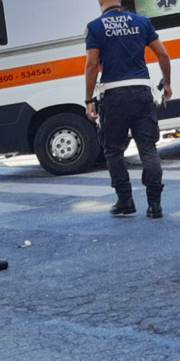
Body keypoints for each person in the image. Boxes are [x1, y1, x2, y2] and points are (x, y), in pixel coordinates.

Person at [85, 0, 172, 219]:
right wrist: (168, 84)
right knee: (148, 150)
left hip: (114, 97)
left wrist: (89, 100)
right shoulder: (141, 21)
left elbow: (92, 65)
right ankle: (155, 205)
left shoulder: (95, 27)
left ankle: (125, 201)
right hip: (141, 93)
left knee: (113, 150)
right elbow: (163, 54)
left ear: (101, 2)